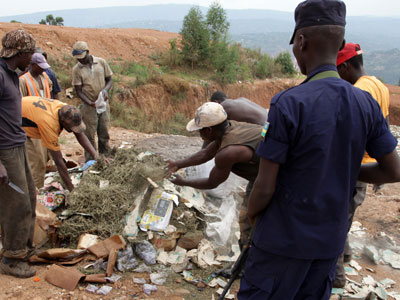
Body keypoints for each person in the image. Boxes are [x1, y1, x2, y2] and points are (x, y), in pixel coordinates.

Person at [238, 1, 400, 299]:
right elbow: (393, 170)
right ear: (339, 43)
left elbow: (264, 184)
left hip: (280, 243)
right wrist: (345, 173)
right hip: (328, 245)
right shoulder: (366, 104)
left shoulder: (289, 103)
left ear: (301, 42)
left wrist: (252, 217)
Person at [167, 102, 263, 250]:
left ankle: (247, 260)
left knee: (251, 223)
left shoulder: (227, 152)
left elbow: (212, 183)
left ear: (209, 131)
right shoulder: (229, 128)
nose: (199, 134)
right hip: (261, 174)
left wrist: (184, 182)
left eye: (200, 130)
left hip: (273, 180)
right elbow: (205, 153)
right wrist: (178, 164)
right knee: (248, 220)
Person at [333, 42, 391, 287]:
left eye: (337, 71)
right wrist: (379, 170)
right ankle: (345, 255)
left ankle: (336, 276)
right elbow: (383, 128)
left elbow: (348, 134)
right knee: (346, 214)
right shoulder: (379, 85)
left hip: (353, 166)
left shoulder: (358, 92)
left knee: (335, 219)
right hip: (368, 166)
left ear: (345, 67)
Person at [0, 29, 37, 278]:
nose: (33, 58)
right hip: (5, 151)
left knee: (30, 196)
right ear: (19, 53)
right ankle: (11, 259)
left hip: (17, 144)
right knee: (17, 203)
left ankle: (22, 248)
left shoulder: (11, 74)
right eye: (30, 53)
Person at [22, 96, 97, 191]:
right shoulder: (50, 124)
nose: (73, 130)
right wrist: (72, 190)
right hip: (12, 124)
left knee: (41, 159)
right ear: (62, 122)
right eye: (71, 127)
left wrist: (96, 155)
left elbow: (80, 135)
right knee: (37, 164)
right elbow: (59, 162)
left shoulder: (66, 109)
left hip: (29, 115)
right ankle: (36, 195)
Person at [72, 41, 113, 161]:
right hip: (88, 106)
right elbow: (78, 91)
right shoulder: (77, 69)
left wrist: (105, 90)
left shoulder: (101, 62)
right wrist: (90, 103)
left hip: (103, 104)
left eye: (82, 58)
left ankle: (105, 157)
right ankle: (91, 161)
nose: (80, 61)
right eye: (78, 59)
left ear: (88, 53)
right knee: (89, 135)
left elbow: (109, 79)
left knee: (104, 132)